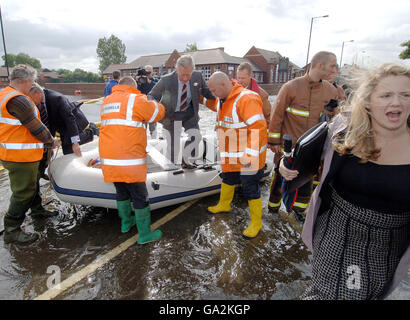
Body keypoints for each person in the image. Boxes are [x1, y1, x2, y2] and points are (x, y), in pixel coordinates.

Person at [279, 63, 410, 300]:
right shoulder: (342, 131)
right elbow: (305, 154)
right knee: (336, 293)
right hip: (339, 229)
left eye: (405, 95)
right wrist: (286, 165)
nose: (396, 102)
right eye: (386, 95)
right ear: (368, 101)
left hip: (390, 243)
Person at [267, 51, 339, 225]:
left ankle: (298, 213)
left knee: (306, 183)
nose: (335, 69)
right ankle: (272, 210)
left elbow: (336, 120)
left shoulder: (331, 90)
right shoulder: (291, 87)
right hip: (289, 148)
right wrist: (274, 143)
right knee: (279, 181)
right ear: (320, 65)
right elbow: (276, 116)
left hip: (315, 151)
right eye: (333, 65)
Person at [99, 76, 165, 244]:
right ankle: (144, 234)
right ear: (133, 86)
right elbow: (158, 113)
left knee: (121, 192)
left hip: (110, 159)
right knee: (140, 196)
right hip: (130, 160)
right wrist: (155, 101)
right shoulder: (136, 99)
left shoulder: (107, 101)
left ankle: (126, 223)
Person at [0, 64, 60, 245]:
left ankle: (37, 211)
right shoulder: (19, 100)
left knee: (32, 185)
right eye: (33, 81)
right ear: (26, 81)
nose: (33, 85)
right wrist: (51, 141)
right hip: (20, 157)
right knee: (23, 192)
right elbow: (35, 126)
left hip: (15, 153)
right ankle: (12, 229)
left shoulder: (4, 94)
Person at [206, 72, 267, 238]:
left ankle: (256, 223)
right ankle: (224, 204)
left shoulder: (247, 99)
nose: (212, 94)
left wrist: (250, 156)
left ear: (224, 85)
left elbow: (258, 128)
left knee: (249, 187)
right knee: (229, 178)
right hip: (232, 152)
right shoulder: (222, 98)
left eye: (213, 90)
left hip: (249, 155)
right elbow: (217, 108)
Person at [148, 55, 215, 168]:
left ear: (192, 70)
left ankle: (186, 159)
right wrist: (153, 105)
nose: (185, 78)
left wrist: (221, 97)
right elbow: (151, 95)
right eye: (182, 74)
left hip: (189, 113)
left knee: (196, 136)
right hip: (172, 116)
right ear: (177, 70)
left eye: (188, 74)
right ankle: (172, 166)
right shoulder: (166, 79)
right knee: (174, 144)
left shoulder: (197, 76)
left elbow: (207, 92)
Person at [28, 83, 99, 158]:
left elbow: (70, 120)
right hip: (59, 123)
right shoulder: (38, 104)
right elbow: (48, 122)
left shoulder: (58, 99)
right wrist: (51, 141)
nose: (30, 102)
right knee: (66, 147)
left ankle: (92, 130)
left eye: (30, 98)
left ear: (38, 93)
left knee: (70, 145)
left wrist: (75, 143)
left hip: (73, 119)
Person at [236, 62, 272, 126]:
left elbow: (268, 117)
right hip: (236, 133)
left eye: (243, 78)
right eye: (238, 78)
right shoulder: (232, 91)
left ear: (250, 75)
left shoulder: (261, 95)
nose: (240, 81)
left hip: (253, 132)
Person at [137, 65, 159, 139]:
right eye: (146, 72)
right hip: (143, 108)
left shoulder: (155, 80)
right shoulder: (141, 81)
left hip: (152, 108)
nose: (148, 74)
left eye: (149, 72)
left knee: (153, 127)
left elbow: (159, 88)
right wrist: (138, 81)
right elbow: (137, 91)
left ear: (152, 72)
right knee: (143, 127)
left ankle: (154, 140)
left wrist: (149, 82)